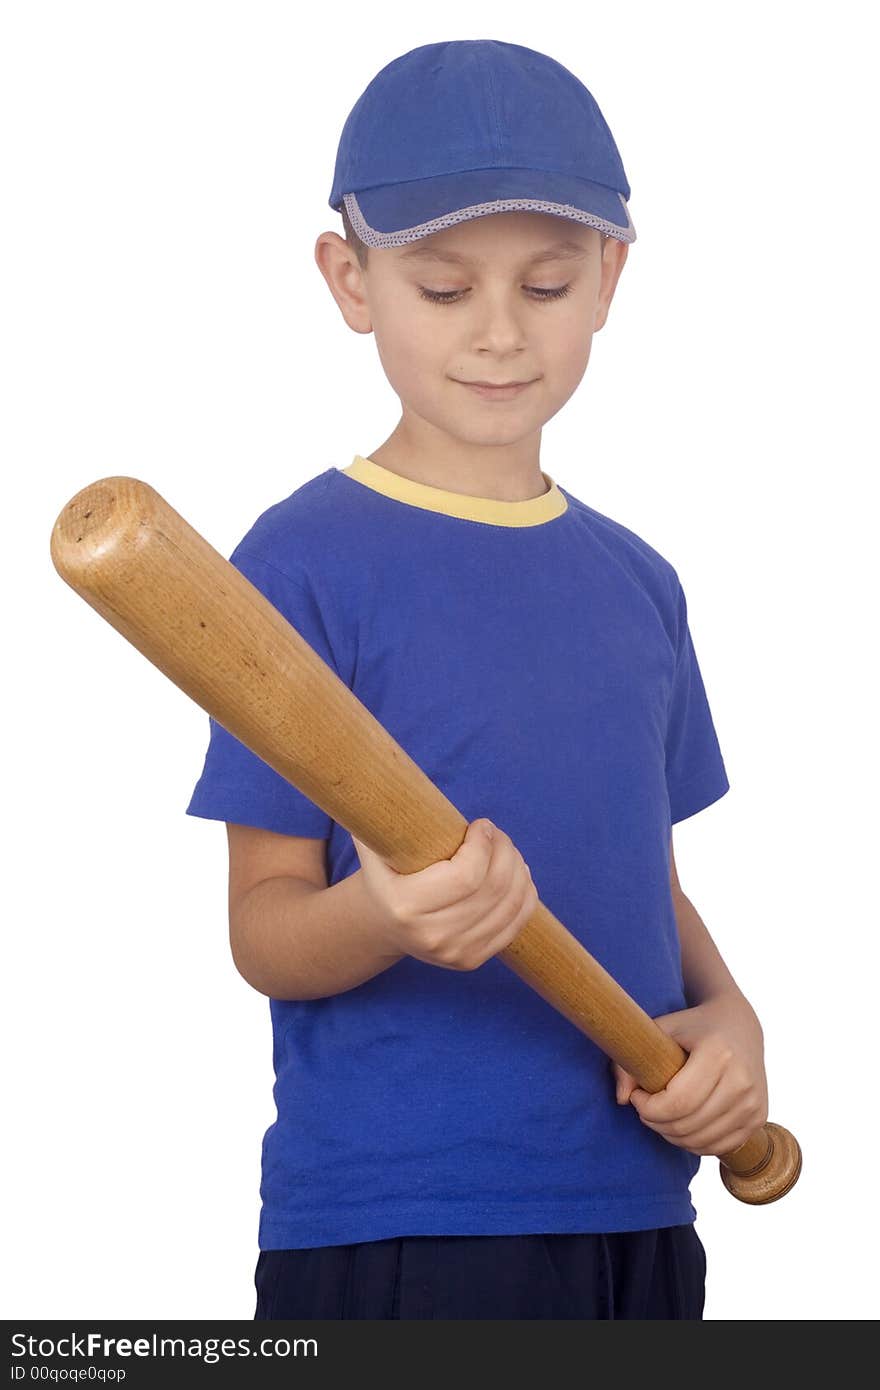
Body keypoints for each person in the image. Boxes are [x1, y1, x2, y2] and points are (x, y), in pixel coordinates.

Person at [186, 39, 768, 1320]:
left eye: (547, 282)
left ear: (611, 277)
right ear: (351, 278)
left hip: (639, 1213)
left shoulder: (639, 583)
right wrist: (385, 919)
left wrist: (730, 1022)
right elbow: (264, 928)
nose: (501, 332)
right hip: (408, 1226)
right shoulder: (299, 565)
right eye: (444, 289)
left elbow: (645, 884)